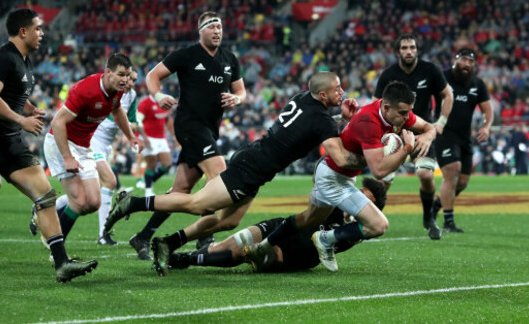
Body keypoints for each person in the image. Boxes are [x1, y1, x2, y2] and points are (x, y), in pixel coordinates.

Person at [105, 71, 365, 275]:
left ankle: (169, 243)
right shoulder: (320, 118)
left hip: (255, 162)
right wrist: (372, 153)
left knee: (228, 222)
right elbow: (340, 156)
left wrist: (342, 119)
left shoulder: (303, 99)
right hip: (251, 168)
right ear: (322, 94)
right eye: (337, 89)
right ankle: (133, 203)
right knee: (197, 204)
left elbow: (315, 126)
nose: (342, 92)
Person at [247, 80, 437, 272]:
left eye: (408, 112)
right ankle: (325, 239)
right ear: (386, 107)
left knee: (308, 219)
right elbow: (379, 170)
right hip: (333, 177)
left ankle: (262, 247)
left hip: (336, 173)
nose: (407, 118)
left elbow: (428, 127)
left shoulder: (397, 112)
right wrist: (407, 148)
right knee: (378, 225)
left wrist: (427, 136)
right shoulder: (369, 122)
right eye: (403, 113)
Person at [127, 11, 246, 260]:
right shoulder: (188, 54)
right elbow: (152, 75)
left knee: (180, 190)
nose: (217, 31)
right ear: (200, 31)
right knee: (220, 176)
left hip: (210, 129)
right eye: (212, 26)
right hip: (189, 125)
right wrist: (158, 96)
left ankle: (143, 236)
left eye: (220, 27)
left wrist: (237, 98)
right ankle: (205, 238)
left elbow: (241, 91)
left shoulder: (230, 59)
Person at [0, 8, 97, 282]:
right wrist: (21, 120)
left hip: (8, 142)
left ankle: (61, 263)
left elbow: (11, 94)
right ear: (23, 31)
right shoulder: (3, 58)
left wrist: (28, 109)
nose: (42, 33)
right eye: (38, 28)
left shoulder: (24, 61)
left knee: (46, 196)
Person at [167, 178, 386, 273]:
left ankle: (187, 260)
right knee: (222, 247)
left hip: (295, 253)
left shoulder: (356, 232)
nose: (357, 202)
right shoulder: (336, 200)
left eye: (365, 202)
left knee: (243, 254)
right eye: (359, 195)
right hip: (280, 227)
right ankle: (207, 249)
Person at [42, 53, 141, 244]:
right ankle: (56, 249)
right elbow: (57, 122)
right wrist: (67, 157)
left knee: (94, 202)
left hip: (83, 145)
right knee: (79, 201)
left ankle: (49, 217)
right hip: (61, 142)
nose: (125, 80)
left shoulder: (118, 91)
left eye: (127, 75)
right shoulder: (85, 89)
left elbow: (117, 109)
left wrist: (130, 137)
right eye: (121, 74)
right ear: (108, 72)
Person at [373, 33, 453, 240]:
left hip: (421, 133)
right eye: (404, 48)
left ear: (417, 50)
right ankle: (370, 219)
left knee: (426, 175)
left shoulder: (430, 70)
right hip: (393, 134)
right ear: (398, 51)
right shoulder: (389, 74)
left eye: (412, 48)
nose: (409, 51)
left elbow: (448, 94)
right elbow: (375, 105)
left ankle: (429, 217)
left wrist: (440, 123)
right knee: (383, 181)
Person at [431, 48, 493, 233]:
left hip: (465, 137)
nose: (467, 64)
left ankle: (436, 207)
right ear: (456, 60)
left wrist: (487, 126)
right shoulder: (442, 78)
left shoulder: (477, 84)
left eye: (471, 61)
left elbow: (488, 110)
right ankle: (448, 222)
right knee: (452, 170)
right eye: (464, 60)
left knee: (463, 182)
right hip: (444, 133)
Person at [88, 69, 140, 245]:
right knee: (110, 181)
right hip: (92, 140)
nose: (131, 82)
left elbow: (133, 122)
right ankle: (103, 234)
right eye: (128, 78)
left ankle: (47, 208)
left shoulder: (132, 96)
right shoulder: (111, 92)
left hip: (105, 145)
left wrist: (132, 129)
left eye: (134, 80)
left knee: (86, 195)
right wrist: (127, 126)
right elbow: (115, 119)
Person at [137, 91, 173, 197]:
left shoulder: (164, 102)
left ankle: (149, 180)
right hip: (148, 137)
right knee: (151, 164)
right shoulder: (145, 103)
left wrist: (173, 135)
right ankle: (148, 190)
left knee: (168, 164)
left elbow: (166, 119)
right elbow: (138, 121)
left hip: (161, 139)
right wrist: (144, 138)